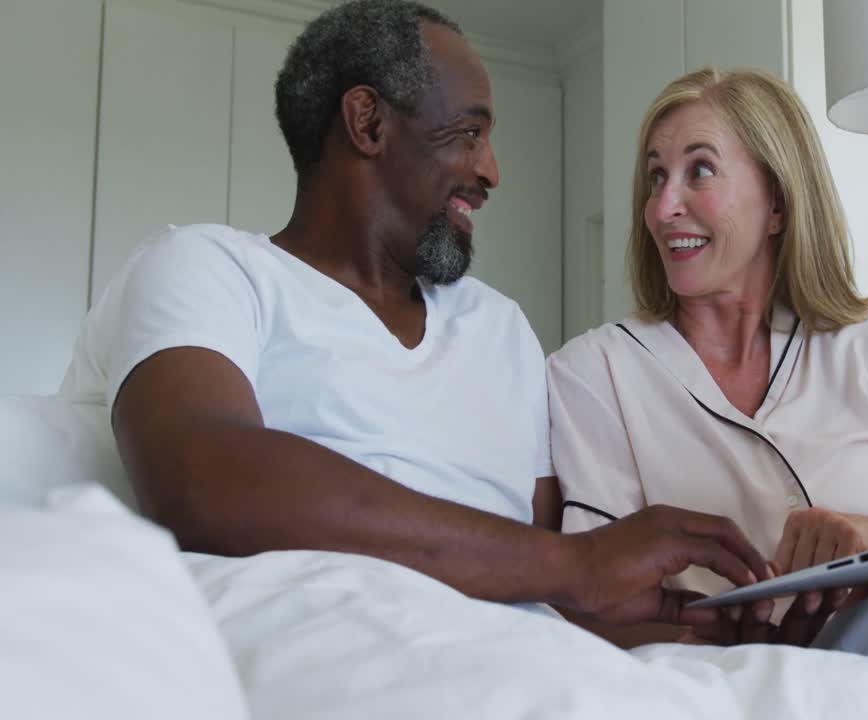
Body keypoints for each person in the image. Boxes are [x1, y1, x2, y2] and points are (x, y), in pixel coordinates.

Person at [58, 0, 769, 630]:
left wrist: (714, 625)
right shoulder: (210, 269)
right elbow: (199, 475)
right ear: (367, 122)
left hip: (530, 668)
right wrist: (576, 564)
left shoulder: (500, 331)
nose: (491, 171)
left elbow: (549, 580)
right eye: (468, 134)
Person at [548, 67, 868, 646]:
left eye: (699, 171)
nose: (662, 209)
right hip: (715, 687)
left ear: (778, 203)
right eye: (656, 177)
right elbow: (593, 604)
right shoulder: (593, 372)